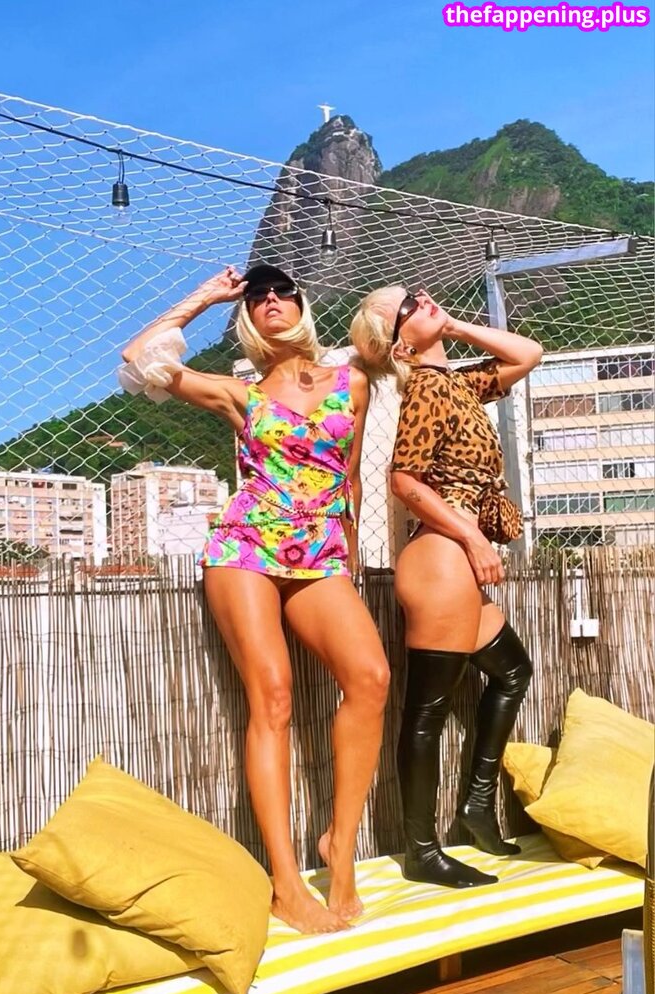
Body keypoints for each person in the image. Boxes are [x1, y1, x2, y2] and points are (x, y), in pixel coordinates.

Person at [119, 264, 390, 932]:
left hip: (320, 552)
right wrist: (207, 296)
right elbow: (139, 356)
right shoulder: (238, 393)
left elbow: (350, 478)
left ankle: (340, 847)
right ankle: (285, 884)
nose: (270, 299)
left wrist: (349, 554)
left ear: (301, 306)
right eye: (258, 294)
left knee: (370, 677)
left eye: (282, 291)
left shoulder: (350, 382)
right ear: (247, 317)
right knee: (271, 696)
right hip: (245, 549)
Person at [350, 286, 542, 888]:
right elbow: (405, 480)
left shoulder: (456, 382)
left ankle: (476, 807)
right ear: (399, 345)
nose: (422, 300)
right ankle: (421, 850)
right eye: (407, 308)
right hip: (442, 557)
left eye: (417, 294)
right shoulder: (427, 389)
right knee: (426, 713)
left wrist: (453, 326)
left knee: (513, 672)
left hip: (454, 555)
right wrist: (475, 539)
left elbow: (528, 353)